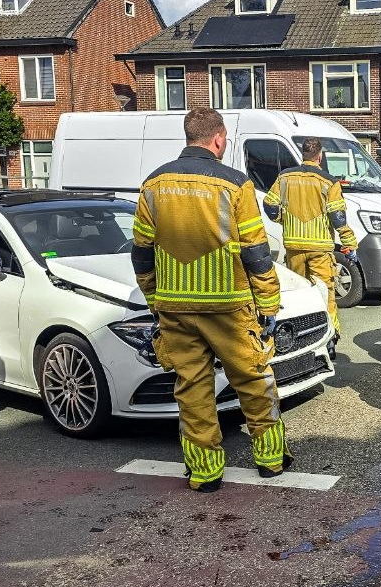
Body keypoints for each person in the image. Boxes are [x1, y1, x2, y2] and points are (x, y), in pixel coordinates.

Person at [132, 108, 290, 490]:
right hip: (229, 306)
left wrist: (155, 300)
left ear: (188, 136)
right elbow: (256, 253)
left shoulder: (153, 184)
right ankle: (270, 459)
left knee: (193, 388)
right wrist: (268, 303)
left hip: (175, 308)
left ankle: (204, 472)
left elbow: (141, 252)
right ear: (219, 139)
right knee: (253, 379)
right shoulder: (235, 184)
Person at [262, 136, 356, 333]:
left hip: (294, 248)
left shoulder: (285, 177)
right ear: (319, 156)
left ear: (303, 154)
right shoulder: (329, 182)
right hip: (320, 250)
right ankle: (330, 335)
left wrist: (283, 219)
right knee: (324, 293)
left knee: (298, 295)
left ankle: (299, 336)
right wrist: (350, 244)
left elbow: (270, 205)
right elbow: (337, 217)